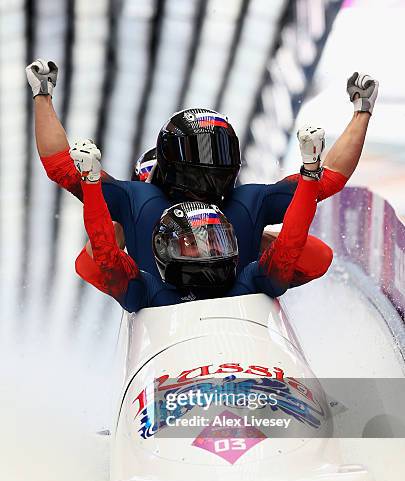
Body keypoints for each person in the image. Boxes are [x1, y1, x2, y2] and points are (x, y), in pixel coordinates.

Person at [26, 59, 378, 282]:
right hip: (167, 326)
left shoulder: (246, 202)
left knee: (314, 253)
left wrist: (43, 96)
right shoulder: (141, 203)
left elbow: (323, 187)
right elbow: (66, 174)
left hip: (241, 315)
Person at [71, 126, 327, 311]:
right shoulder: (146, 289)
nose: (208, 249)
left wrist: (310, 174)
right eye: (193, 243)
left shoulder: (249, 278)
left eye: (216, 240)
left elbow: (291, 246)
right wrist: (90, 184)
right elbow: (105, 256)